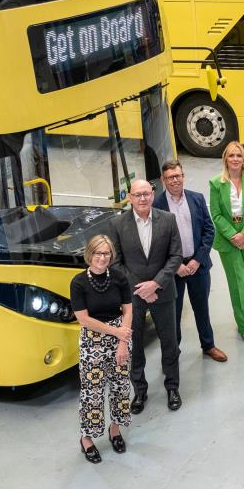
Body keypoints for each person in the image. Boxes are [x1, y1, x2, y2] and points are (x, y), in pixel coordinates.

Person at [111, 179, 183, 414]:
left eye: (147, 193)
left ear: (153, 194)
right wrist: (142, 289)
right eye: (137, 194)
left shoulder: (168, 220)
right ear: (129, 197)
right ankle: (139, 391)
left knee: (170, 342)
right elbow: (116, 262)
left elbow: (175, 256)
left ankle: (172, 387)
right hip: (133, 297)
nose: (143, 198)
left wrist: (156, 284)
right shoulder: (117, 224)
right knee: (135, 345)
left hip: (163, 292)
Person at [69, 235, 133, 464]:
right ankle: (86, 439)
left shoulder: (119, 278)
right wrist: (116, 333)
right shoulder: (78, 283)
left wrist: (123, 342)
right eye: (98, 253)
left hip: (120, 336)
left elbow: (128, 310)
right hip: (93, 340)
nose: (102, 258)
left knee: (120, 387)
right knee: (92, 393)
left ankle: (114, 430)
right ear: (89, 254)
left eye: (106, 253)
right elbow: (84, 320)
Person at [154, 160, 226, 363]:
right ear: (163, 180)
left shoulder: (197, 198)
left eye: (178, 176)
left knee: (201, 307)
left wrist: (197, 260)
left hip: (198, 267)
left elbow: (208, 230)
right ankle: (172, 351)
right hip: (172, 271)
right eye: (170, 177)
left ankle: (208, 345)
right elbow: (156, 242)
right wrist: (175, 266)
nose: (175, 180)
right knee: (173, 313)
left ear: (183, 176)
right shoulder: (157, 206)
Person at [207, 141, 244, 343]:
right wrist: (233, 235)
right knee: (238, 283)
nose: (235, 159)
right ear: (225, 159)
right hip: (227, 241)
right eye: (231, 155)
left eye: (238, 156)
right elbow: (215, 214)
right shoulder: (216, 183)